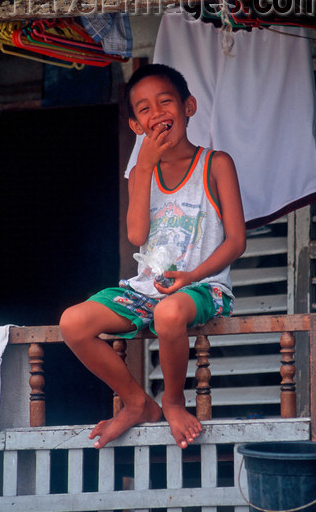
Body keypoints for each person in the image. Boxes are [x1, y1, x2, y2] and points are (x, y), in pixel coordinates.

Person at [59, 63, 246, 450]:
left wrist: (191, 276)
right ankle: (137, 402)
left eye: (165, 102)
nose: (156, 114)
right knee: (73, 322)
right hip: (147, 289)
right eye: (143, 109)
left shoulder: (216, 164)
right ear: (135, 126)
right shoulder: (140, 172)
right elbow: (136, 236)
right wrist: (142, 167)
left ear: (189, 106)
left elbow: (236, 241)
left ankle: (173, 401)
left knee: (169, 312)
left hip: (202, 286)